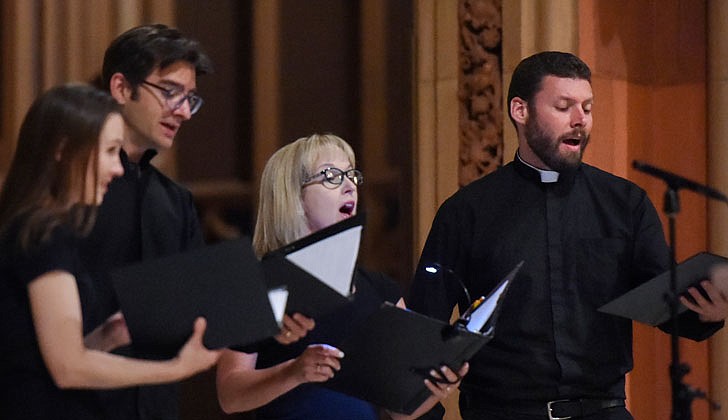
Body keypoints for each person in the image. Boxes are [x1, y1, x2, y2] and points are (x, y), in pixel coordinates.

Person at [407, 51, 728, 420]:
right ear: (520, 111)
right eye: (564, 107)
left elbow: (665, 299)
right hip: (502, 412)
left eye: (587, 108)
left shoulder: (624, 203)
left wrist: (708, 311)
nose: (580, 121)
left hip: (602, 411)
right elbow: (423, 329)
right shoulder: (466, 212)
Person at [0, 84, 221, 420]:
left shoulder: (43, 228)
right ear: (63, 149)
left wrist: (107, 336)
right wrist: (176, 368)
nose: (118, 169)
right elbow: (68, 367)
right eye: (109, 151)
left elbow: (33, 353)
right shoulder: (42, 233)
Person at [215, 133, 468, 420]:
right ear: (293, 195)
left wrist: (438, 386)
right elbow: (230, 395)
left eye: (351, 175)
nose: (350, 186)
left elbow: (401, 412)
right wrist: (294, 371)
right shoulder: (255, 286)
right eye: (332, 176)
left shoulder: (379, 289)